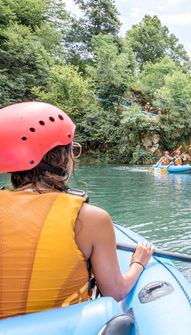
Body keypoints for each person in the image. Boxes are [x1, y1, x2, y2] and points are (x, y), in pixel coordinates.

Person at [0, 102, 153, 319]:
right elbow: (115, 291)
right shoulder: (91, 219)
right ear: (63, 157)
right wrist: (138, 262)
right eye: (72, 149)